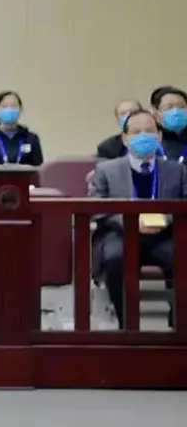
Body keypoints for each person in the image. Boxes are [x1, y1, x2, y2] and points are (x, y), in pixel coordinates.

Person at [90, 109, 183, 328]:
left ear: (159, 136)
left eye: (149, 131)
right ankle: (127, 324)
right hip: (120, 233)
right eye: (136, 132)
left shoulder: (177, 170)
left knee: (182, 255)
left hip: (164, 235)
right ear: (125, 138)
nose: (143, 136)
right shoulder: (105, 170)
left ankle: (179, 323)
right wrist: (129, 222)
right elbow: (97, 207)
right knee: (114, 259)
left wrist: (167, 219)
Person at [0, 91, 44, 166]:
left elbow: (39, 168)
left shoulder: (31, 139)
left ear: (20, 110)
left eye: (13, 106)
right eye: (4, 106)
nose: (9, 109)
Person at [149, 86, 187, 161]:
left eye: (181, 107)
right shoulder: (150, 142)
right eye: (169, 107)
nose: (176, 111)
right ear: (156, 114)